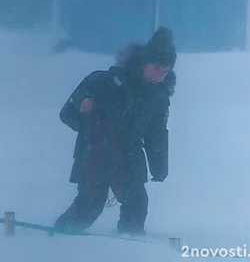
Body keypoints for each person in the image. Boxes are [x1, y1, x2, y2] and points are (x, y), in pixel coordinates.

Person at [53, 27, 176, 236]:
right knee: (90, 205)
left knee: (137, 203)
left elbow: (156, 134)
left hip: (129, 156)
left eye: (164, 71)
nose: (159, 76)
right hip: (94, 153)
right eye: (156, 68)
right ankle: (59, 238)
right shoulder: (103, 81)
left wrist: (159, 167)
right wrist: (83, 111)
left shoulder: (159, 97)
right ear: (143, 62)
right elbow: (67, 114)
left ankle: (130, 245)